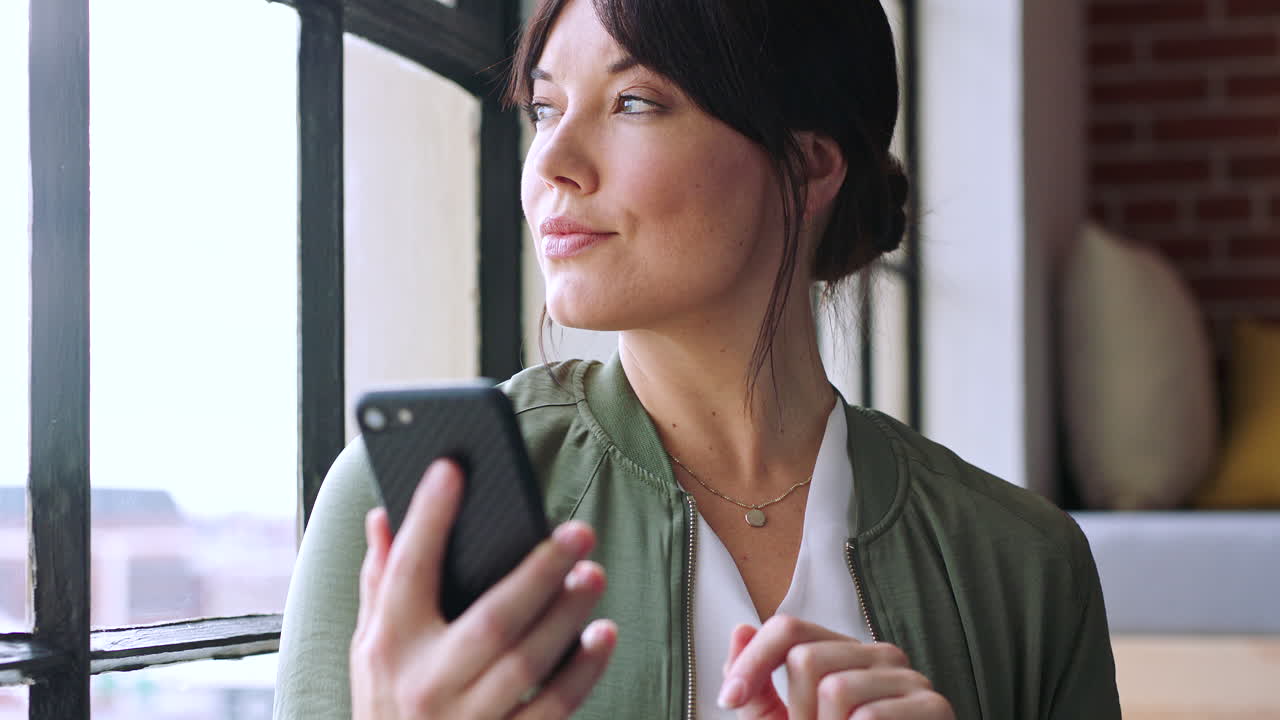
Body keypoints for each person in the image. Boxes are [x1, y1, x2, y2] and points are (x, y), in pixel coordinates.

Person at [273, 0, 1122, 717]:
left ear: (808, 165)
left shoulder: (1024, 568)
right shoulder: (416, 509)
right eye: (545, 108)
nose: (551, 163)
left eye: (634, 102)